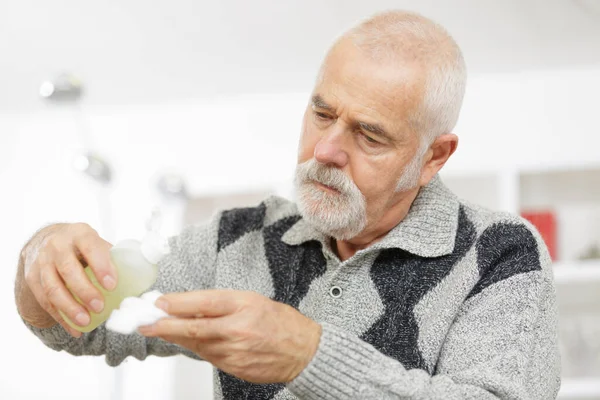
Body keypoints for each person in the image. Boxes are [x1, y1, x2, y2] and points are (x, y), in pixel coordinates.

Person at [14, 10, 561, 400]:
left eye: (369, 136)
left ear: (432, 157)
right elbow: (79, 327)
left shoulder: (499, 255)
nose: (326, 151)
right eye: (322, 114)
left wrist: (309, 357)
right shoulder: (235, 240)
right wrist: (40, 258)